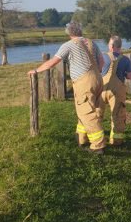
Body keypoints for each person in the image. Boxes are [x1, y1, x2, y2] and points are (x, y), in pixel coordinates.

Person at [28, 22, 106, 154]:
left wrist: (36, 70)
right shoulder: (92, 43)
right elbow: (102, 62)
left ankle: (98, 145)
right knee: (92, 108)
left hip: (83, 81)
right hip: (98, 78)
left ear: (69, 33)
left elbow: (52, 62)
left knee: (86, 112)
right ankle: (81, 138)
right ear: (80, 31)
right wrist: (94, 74)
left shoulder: (68, 45)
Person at [100, 35, 131, 146]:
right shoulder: (125, 60)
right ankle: (116, 141)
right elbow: (130, 76)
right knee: (118, 116)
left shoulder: (102, 57)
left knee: (96, 115)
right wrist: (126, 74)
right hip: (117, 92)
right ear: (120, 46)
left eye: (108, 43)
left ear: (112, 46)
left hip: (101, 90)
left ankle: (95, 140)